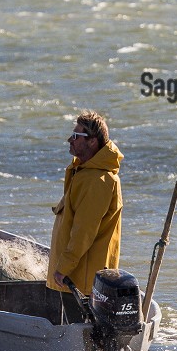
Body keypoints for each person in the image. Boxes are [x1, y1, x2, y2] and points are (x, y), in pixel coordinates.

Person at [46, 110, 122, 297]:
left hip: (81, 281)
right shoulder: (84, 173)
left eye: (75, 136)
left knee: (78, 324)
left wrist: (63, 267)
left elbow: (84, 231)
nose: (69, 140)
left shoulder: (97, 180)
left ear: (92, 141)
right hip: (76, 277)